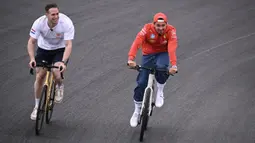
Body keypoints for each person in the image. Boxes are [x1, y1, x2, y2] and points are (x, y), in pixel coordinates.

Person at [127, 12, 178, 127]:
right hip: (148, 55)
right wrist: (131, 58)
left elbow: (172, 48)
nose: (160, 28)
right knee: (141, 83)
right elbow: (137, 42)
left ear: (166, 24)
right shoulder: (147, 29)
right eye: (158, 25)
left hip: (163, 54)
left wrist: (174, 65)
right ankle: (136, 111)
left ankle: (160, 91)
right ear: (153, 24)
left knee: (161, 67)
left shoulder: (171, 31)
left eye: (163, 25)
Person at [27, 3, 75, 120]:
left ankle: (59, 85)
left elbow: (68, 45)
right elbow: (31, 42)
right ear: (46, 15)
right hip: (44, 49)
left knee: (57, 72)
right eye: (53, 14)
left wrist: (63, 62)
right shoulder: (39, 23)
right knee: (40, 76)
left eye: (57, 14)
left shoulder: (66, 23)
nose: (56, 16)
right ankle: (37, 106)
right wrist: (32, 59)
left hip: (60, 49)